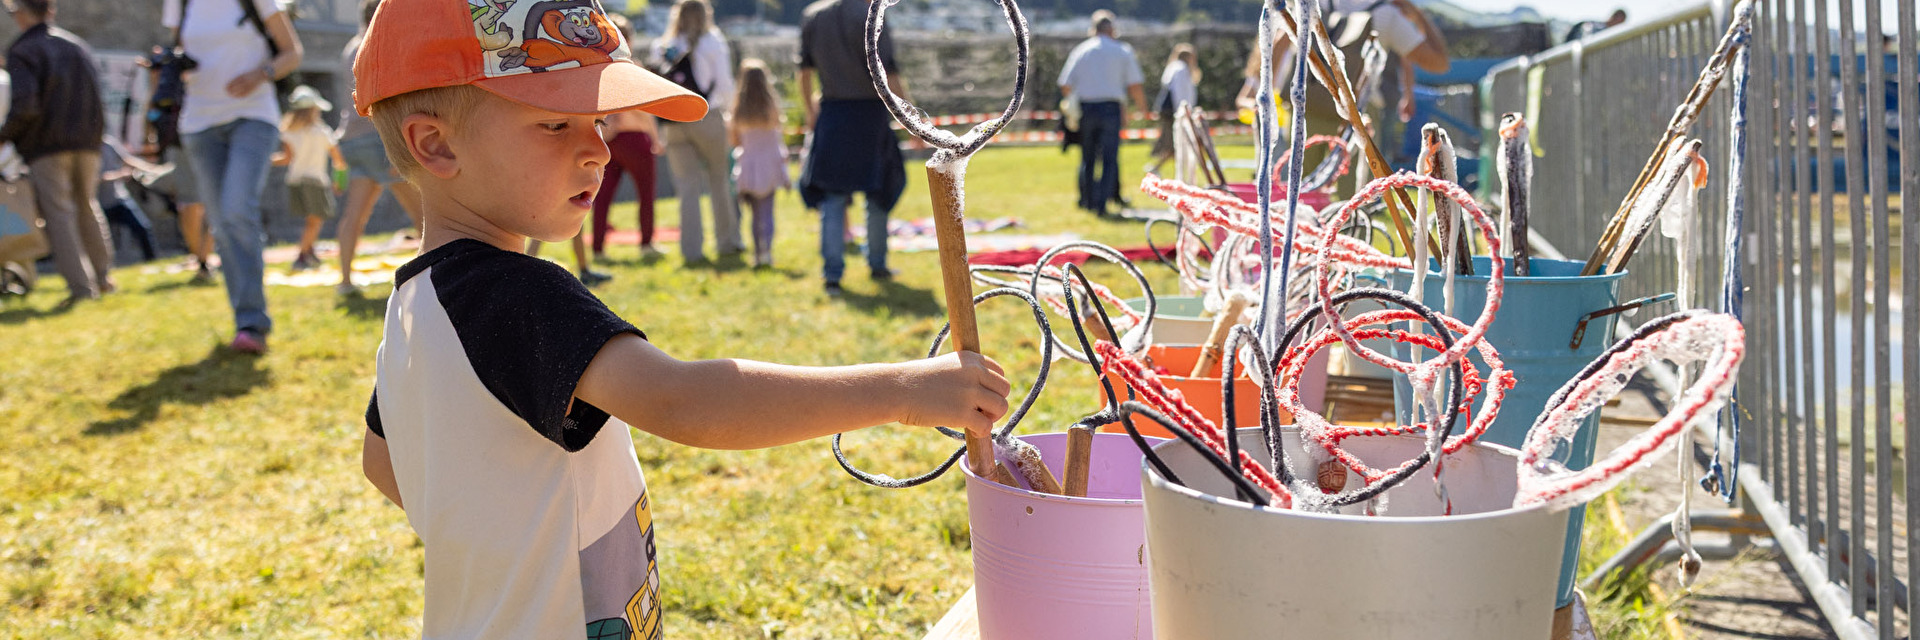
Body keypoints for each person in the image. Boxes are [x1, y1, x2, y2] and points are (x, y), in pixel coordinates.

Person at [350, 2, 1011, 637]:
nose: (598, 152)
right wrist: (903, 391)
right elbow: (683, 401)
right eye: (556, 124)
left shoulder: (416, 305)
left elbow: (384, 462)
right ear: (435, 145)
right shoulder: (517, 294)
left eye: (600, 123)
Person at [164, 0, 304, 354]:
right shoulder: (178, 3)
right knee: (223, 224)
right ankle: (245, 321)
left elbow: (292, 53)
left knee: (238, 209)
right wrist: (170, 68)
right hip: (199, 124)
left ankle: (253, 324)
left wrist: (261, 74)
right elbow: (178, 51)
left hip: (252, 115)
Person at [1236, 0, 1449, 191]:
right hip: (1359, 116)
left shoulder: (1311, 3)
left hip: (1308, 108)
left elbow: (1277, 45)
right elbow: (1438, 63)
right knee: (1353, 197)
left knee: (1301, 192)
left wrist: (1260, 90)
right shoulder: (1386, 13)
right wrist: (1416, 14)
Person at [0, 0, 114, 307]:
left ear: (22, 13)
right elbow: (97, 96)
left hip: (47, 145)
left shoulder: (23, 50)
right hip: (87, 140)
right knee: (87, 206)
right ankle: (104, 278)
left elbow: (25, 106)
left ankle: (81, 288)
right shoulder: (77, 46)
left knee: (59, 214)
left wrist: (4, 137)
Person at [796, 0, 909, 296]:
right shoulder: (873, 14)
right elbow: (890, 73)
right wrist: (910, 120)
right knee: (878, 195)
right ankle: (878, 264)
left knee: (832, 199)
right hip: (870, 116)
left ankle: (832, 275)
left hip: (833, 115)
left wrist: (810, 110)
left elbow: (804, 72)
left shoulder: (813, 16)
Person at [335, 0, 422, 296]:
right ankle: (431, 279)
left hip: (351, 140)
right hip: (379, 139)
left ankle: (345, 282)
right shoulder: (380, 44)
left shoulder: (351, 46)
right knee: (424, 214)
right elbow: (387, 98)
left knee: (354, 216)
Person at [651, 0, 741, 266]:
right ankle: (728, 242)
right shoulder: (713, 43)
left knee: (687, 188)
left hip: (674, 121)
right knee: (719, 180)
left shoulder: (663, 46)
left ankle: (691, 251)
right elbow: (725, 85)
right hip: (707, 116)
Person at [1057, 10, 1146, 217]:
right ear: (1112, 29)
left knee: (1087, 157)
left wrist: (1073, 105)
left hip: (1086, 109)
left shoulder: (1081, 51)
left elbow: (1065, 84)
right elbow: (1135, 84)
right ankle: (1102, 204)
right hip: (1111, 110)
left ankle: (1087, 200)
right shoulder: (1122, 50)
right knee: (1109, 158)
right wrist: (1142, 109)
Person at [142, 43, 216, 284]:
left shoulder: (171, 69)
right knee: (201, 203)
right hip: (197, 137)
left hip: (183, 139)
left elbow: (153, 107)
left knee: (192, 203)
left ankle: (201, 259)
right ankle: (202, 258)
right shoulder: (201, 59)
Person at [729, 59, 788, 268]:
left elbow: (734, 140)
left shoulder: (738, 110)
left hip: (748, 167)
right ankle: (767, 253)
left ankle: (757, 253)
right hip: (769, 165)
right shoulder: (771, 106)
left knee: (754, 215)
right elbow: (777, 131)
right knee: (767, 212)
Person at [278, 85, 343, 271]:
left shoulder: (288, 131)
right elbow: (339, 160)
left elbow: (286, 159)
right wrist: (339, 181)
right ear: (313, 110)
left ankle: (310, 252)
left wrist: (266, 161)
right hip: (315, 181)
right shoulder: (322, 131)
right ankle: (302, 256)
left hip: (295, 181)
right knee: (315, 221)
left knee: (311, 220)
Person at [97, 136, 160, 262]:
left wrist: (152, 169)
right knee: (99, 238)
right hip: (99, 204)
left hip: (119, 199)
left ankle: (152, 261)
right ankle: (104, 268)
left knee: (143, 228)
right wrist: (119, 175)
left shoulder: (108, 143)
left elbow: (128, 160)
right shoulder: (86, 151)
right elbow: (95, 178)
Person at [1146, 43, 1199, 176]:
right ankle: (1155, 168)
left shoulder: (1175, 67)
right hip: (1174, 111)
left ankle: (1157, 167)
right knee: (1174, 143)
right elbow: (1179, 92)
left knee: (1174, 143)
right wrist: (1182, 111)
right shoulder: (1180, 69)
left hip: (1170, 110)